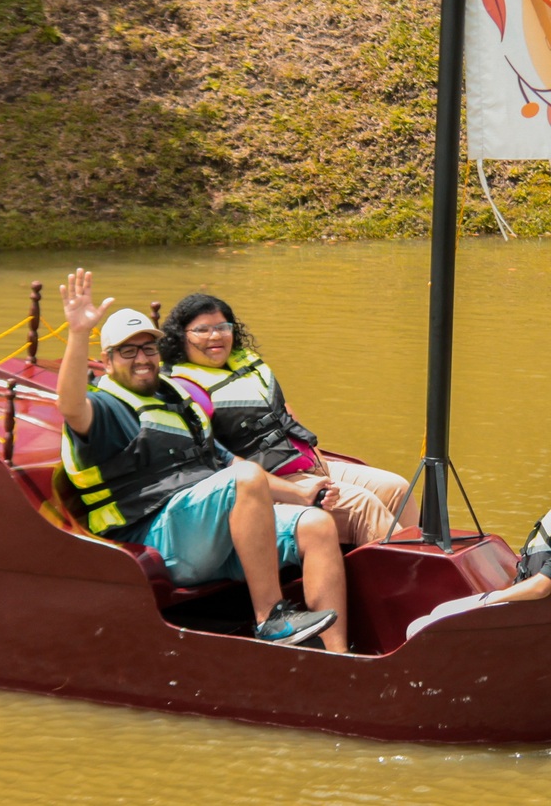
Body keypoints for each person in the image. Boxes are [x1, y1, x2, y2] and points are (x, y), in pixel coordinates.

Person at [56, 268, 349, 652]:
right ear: (107, 361)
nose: (141, 359)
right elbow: (70, 404)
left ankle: (339, 659)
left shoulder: (177, 401)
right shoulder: (105, 408)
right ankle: (270, 618)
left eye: (148, 348)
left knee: (315, 525)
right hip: (157, 541)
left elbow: (226, 462)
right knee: (245, 477)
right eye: (128, 351)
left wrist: (303, 495)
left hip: (211, 533)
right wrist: (77, 333)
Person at [159, 293, 420, 548]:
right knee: (363, 504)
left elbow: (284, 412)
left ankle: (409, 561)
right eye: (202, 330)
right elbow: (217, 462)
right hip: (275, 485)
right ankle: (410, 577)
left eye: (222, 327)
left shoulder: (244, 366)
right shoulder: (187, 389)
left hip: (310, 464)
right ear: (181, 338)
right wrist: (293, 488)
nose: (215, 336)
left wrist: (317, 457)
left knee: (397, 487)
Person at [407, 511, 551, 638]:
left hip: (531, 613)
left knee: (419, 628)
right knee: (439, 611)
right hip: (529, 608)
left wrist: (486, 601)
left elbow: (541, 587)